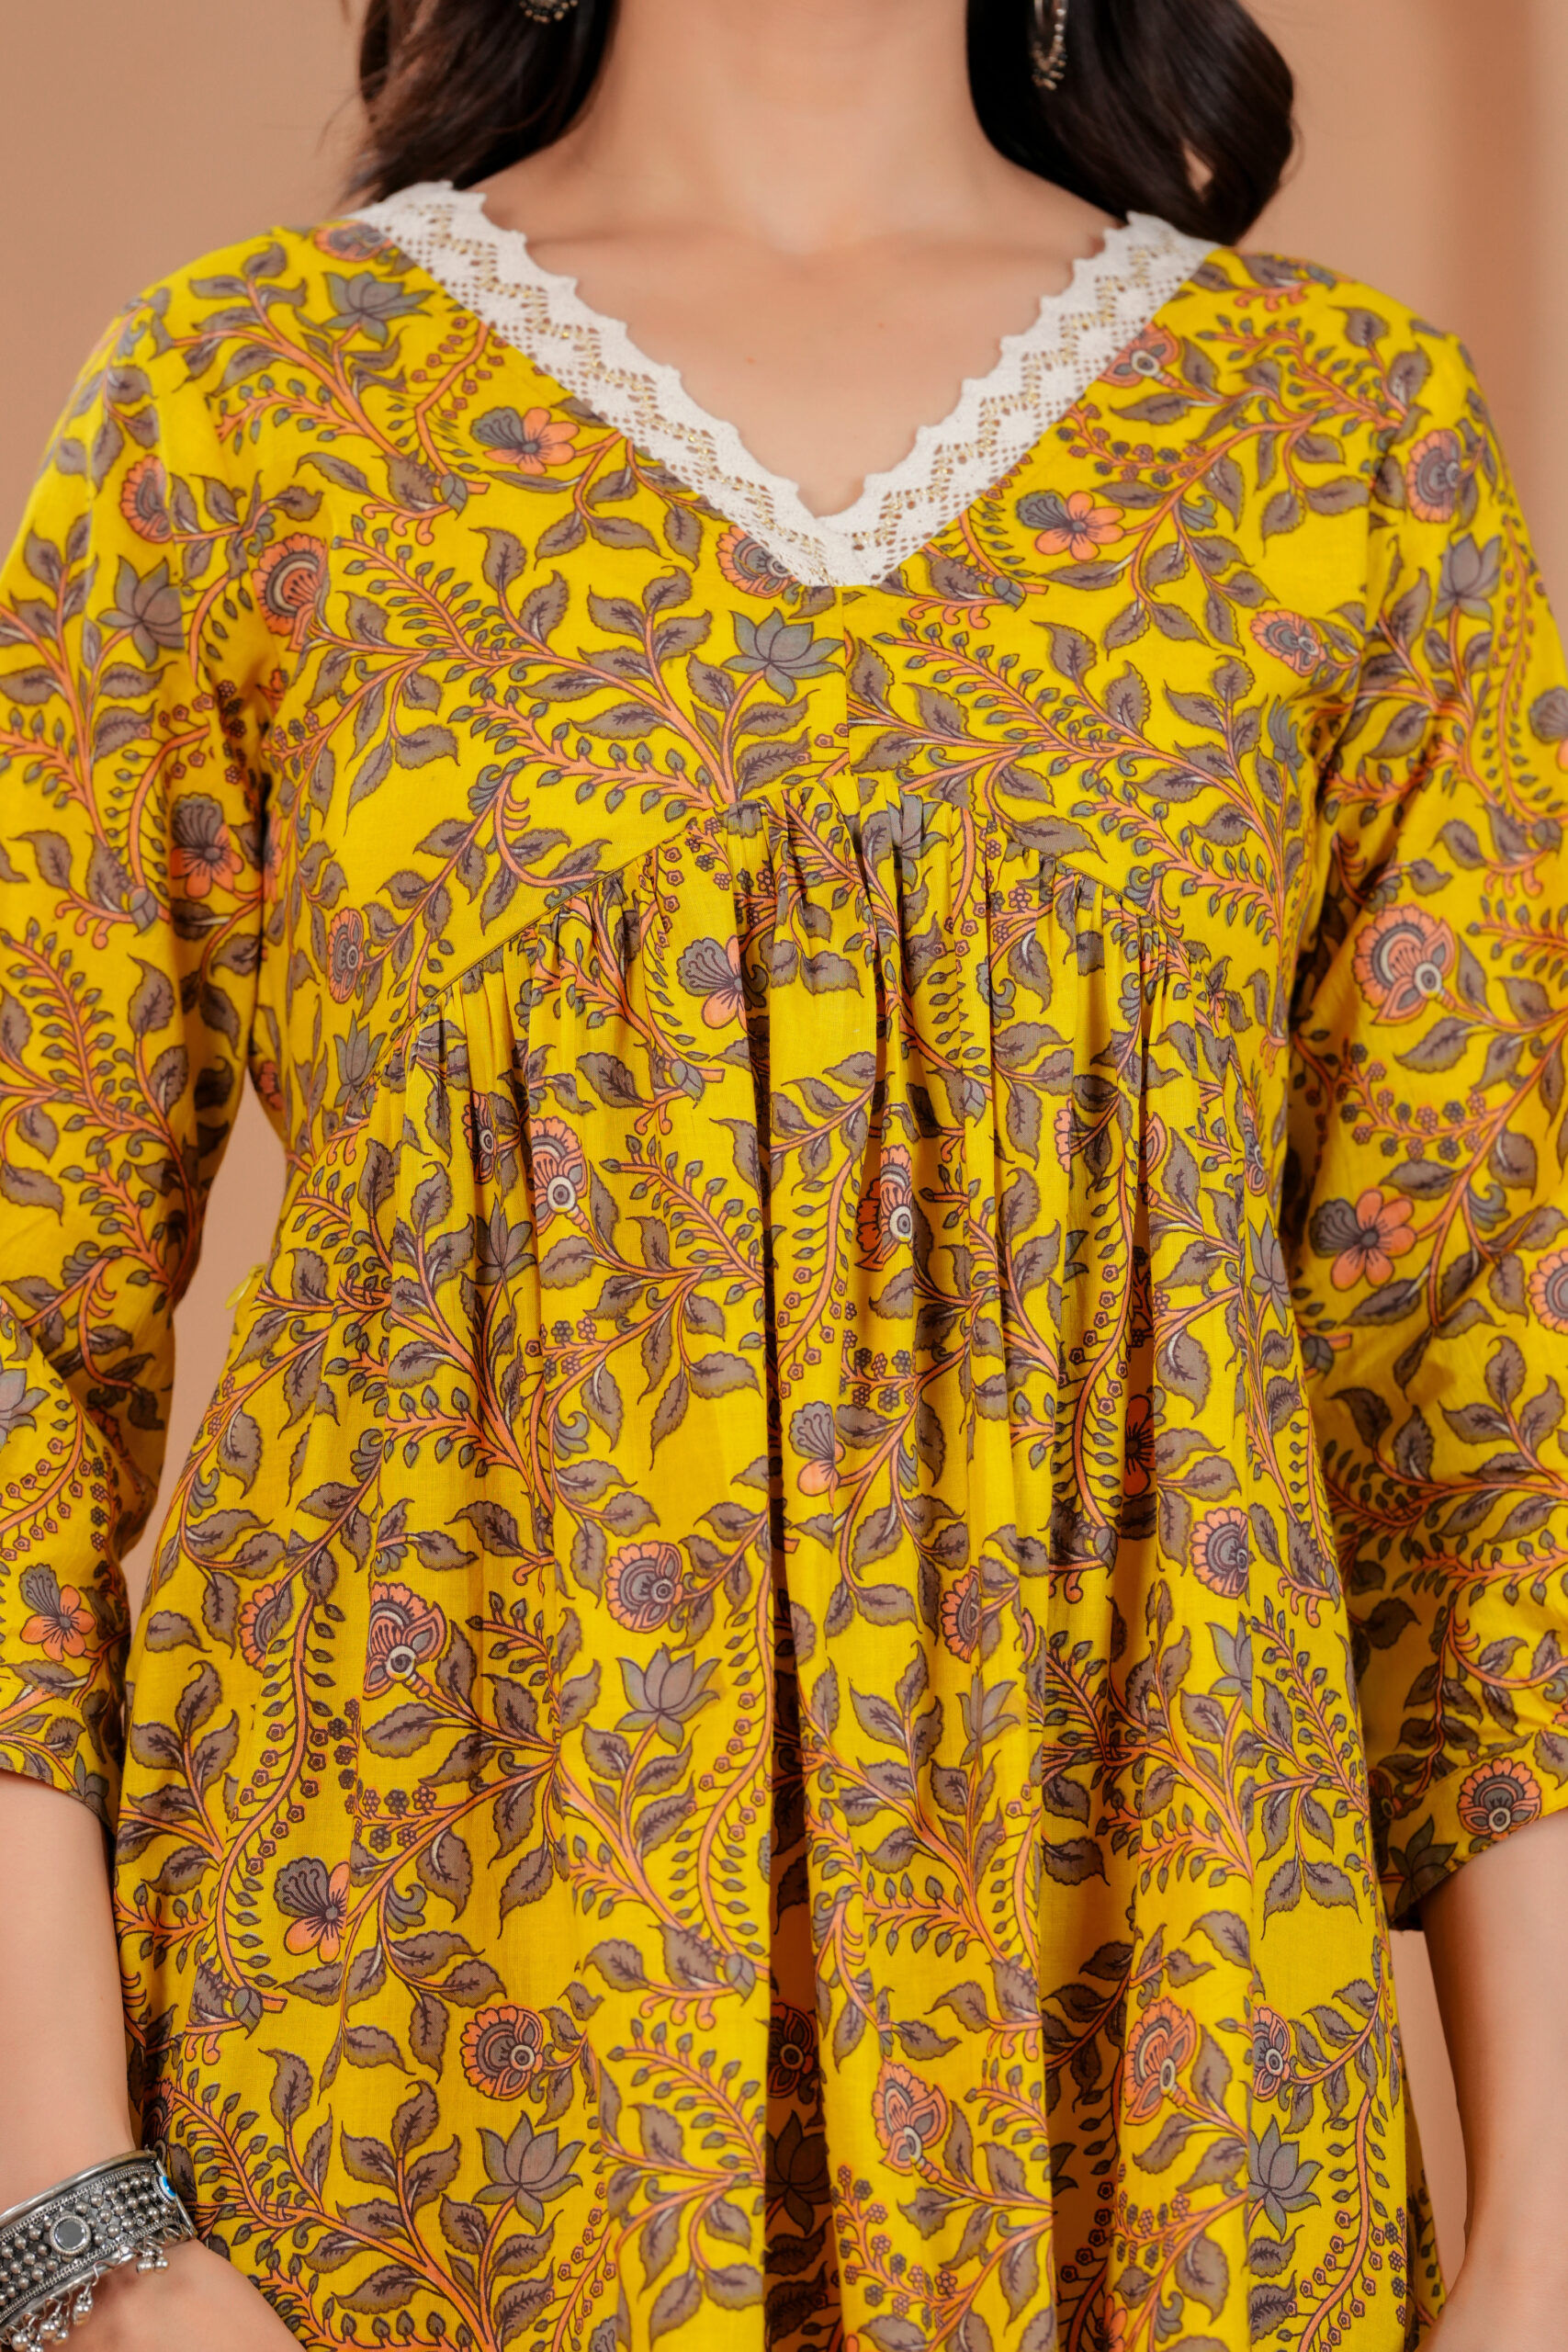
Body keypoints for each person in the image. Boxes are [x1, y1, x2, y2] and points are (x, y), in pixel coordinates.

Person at [2, 0, 1566, 2344]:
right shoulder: (247, 409)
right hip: (416, 2115)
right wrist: (80, 2230)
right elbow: (19, 1340)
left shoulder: (1335, 441)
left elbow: (1481, 1393)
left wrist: (1540, 2251)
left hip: (1156, 2115)